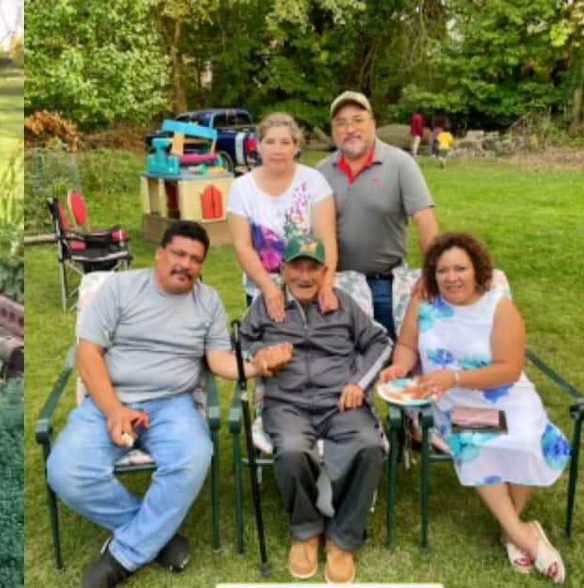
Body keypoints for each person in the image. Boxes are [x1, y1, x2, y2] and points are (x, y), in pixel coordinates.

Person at [45, 221, 291, 588]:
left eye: (195, 259)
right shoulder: (119, 288)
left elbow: (219, 360)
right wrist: (114, 410)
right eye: (179, 254)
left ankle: (124, 556)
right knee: (65, 471)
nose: (186, 264)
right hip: (111, 399)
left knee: (193, 456)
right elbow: (88, 354)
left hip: (173, 404)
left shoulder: (207, 301)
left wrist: (256, 365)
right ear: (160, 253)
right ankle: (156, 537)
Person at [379, 233, 569, 584]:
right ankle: (524, 534)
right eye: (443, 270)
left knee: (528, 437)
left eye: (460, 269)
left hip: (507, 396)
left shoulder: (499, 307)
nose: (451, 277)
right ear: (433, 274)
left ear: (477, 269)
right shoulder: (424, 303)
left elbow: (509, 368)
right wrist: (399, 367)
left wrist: (454, 376)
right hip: (451, 406)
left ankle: (511, 530)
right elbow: (406, 344)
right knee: (474, 439)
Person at [239, 235, 392, 584]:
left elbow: (381, 343)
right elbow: (241, 343)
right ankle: (306, 530)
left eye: (313, 268)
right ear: (283, 268)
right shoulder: (265, 305)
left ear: (325, 272)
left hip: (340, 400)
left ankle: (344, 538)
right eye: (297, 267)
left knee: (369, 446)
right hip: (287, 403)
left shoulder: (342, 303)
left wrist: (359, 384)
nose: (305, 276)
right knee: (292, 450)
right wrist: (258, 357)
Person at [317, 91, 440, 339]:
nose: (350, 128)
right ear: (333, 131)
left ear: (373, 124)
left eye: (358, 119)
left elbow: (425, 220)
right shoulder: (320, 171)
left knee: (395, 362)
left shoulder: (400, 164)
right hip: (337, 286)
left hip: (387, 286)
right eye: (341, 123)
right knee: (344, 367)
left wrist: (434, 272)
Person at [226, 112, 338, 321]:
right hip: (261, 289)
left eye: (285, 142)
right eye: (270, 142)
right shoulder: (241, 188)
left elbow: (327, 238)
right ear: (258, 146)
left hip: (310, 287)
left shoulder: (314, 181)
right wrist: (269, 290)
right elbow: (243, 246)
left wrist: (327, 285)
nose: (277, 149)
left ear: (296, 147)